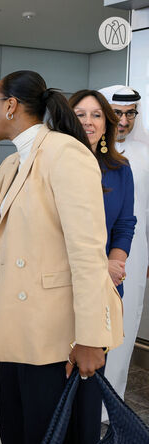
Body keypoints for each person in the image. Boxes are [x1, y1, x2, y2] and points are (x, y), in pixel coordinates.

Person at [0, 70, 123, 444]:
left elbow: (87, 254)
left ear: (11, 106)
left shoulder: (66, 155)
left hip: (55, 340)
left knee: (51, 439)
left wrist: (90, 339)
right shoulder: (12, 165)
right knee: (17, 435)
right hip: (16, 336)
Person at [98, 86, 148, 411]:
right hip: (92, 251)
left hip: (134, 253)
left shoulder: (145, 154)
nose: (125, 120)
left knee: (123, 329)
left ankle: (108, 408)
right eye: (118, 113)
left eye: (131, 113)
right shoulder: (86, 152)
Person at [70, 90, 136, 298]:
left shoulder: (120, 168)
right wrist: (99, 267)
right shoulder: (51, 165)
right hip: (62, 283)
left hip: (106, 284)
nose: (88, 121)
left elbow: (125, 224)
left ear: (106, 123)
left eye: (96, 115)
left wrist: (114, 266)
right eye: (80, 115)